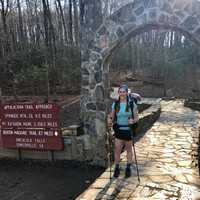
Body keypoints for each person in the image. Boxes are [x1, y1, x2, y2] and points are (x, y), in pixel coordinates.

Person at [107, 84, 139, 178]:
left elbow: (137, 117)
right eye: (120, 92)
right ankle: (117, 168)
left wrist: (133, 121)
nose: (122, 93)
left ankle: (128, 168)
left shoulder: (132, 103)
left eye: (123, 92)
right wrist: (109, 119)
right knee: (117, 150)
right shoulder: (116, 104)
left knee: (128, 150)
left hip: (128, 130)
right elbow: (112, 115)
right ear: (118, 93)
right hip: (119, 130)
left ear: (127, 92)